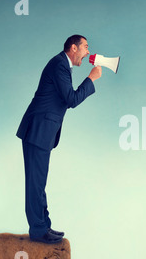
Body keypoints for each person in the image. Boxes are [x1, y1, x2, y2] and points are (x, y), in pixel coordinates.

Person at [17, 35, 102, 244]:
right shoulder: (59, 65)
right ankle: (38, 230)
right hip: (37, 131)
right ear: (73, 48)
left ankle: (43, 225)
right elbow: (71, 99)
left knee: (39, 182)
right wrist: (90, 79)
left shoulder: (62, 66)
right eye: (85, 47)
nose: (88, 52)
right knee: (35, 183)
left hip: (41, 132)